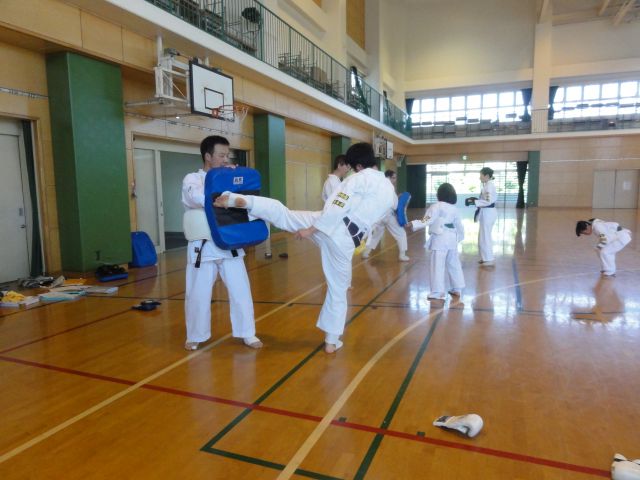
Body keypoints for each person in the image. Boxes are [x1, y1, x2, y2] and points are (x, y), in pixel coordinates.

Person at [214, 142, 397, 353]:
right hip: (349, 240)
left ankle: (243, 201)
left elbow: (337, 205)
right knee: (338, 290)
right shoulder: (390, 191)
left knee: (285, 214)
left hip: (330, 226)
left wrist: (311, 230)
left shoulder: (358, 178)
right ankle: (331, 341)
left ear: (357, 166)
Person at [181, 135, 262, 351]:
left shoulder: (230, 178)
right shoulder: (192, 179)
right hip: (203, 246)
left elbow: (243, 200)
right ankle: (195, 335)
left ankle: (247, 333)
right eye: (221, 155)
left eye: (228, 155)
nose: (226, 160)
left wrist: (231, 179)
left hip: (229, 242)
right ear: (208, 156)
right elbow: (199, 199)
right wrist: (223, 184)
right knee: (197, 293)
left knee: (240, 290)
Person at [407, 183, 465, 300]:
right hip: (452, 239)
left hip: (440, 239)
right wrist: (459, 237)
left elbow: (426, 220)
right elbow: (459, 226)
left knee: (437, 265)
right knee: (454, 263)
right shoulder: (454, 209)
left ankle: (438, 291)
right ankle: (457, 288)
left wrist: (412, 223)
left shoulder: (436, 206)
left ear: (439, 194)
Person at [362, 169, 409, 262]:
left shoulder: (378, 186)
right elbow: (395, 205)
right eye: (393, 178)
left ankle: (366, 252)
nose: (395, 180)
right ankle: (402, 255)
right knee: (401, 233)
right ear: (388, 177)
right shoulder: (389, 187)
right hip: (388, 216)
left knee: (376, 235)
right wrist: (399, 199)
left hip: (379, 216)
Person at [466, 167, 497, 265]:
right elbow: (486, 200)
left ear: (486, 176)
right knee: (483, 236)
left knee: (485, 237)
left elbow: (488, 201)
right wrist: (476, 200)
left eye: (481, 175)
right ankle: (485, 257)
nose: (480, 177)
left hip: (488, 213)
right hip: (486, 212)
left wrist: (474, 202)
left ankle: (488, 259)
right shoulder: (487, 185)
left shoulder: (489, 186)